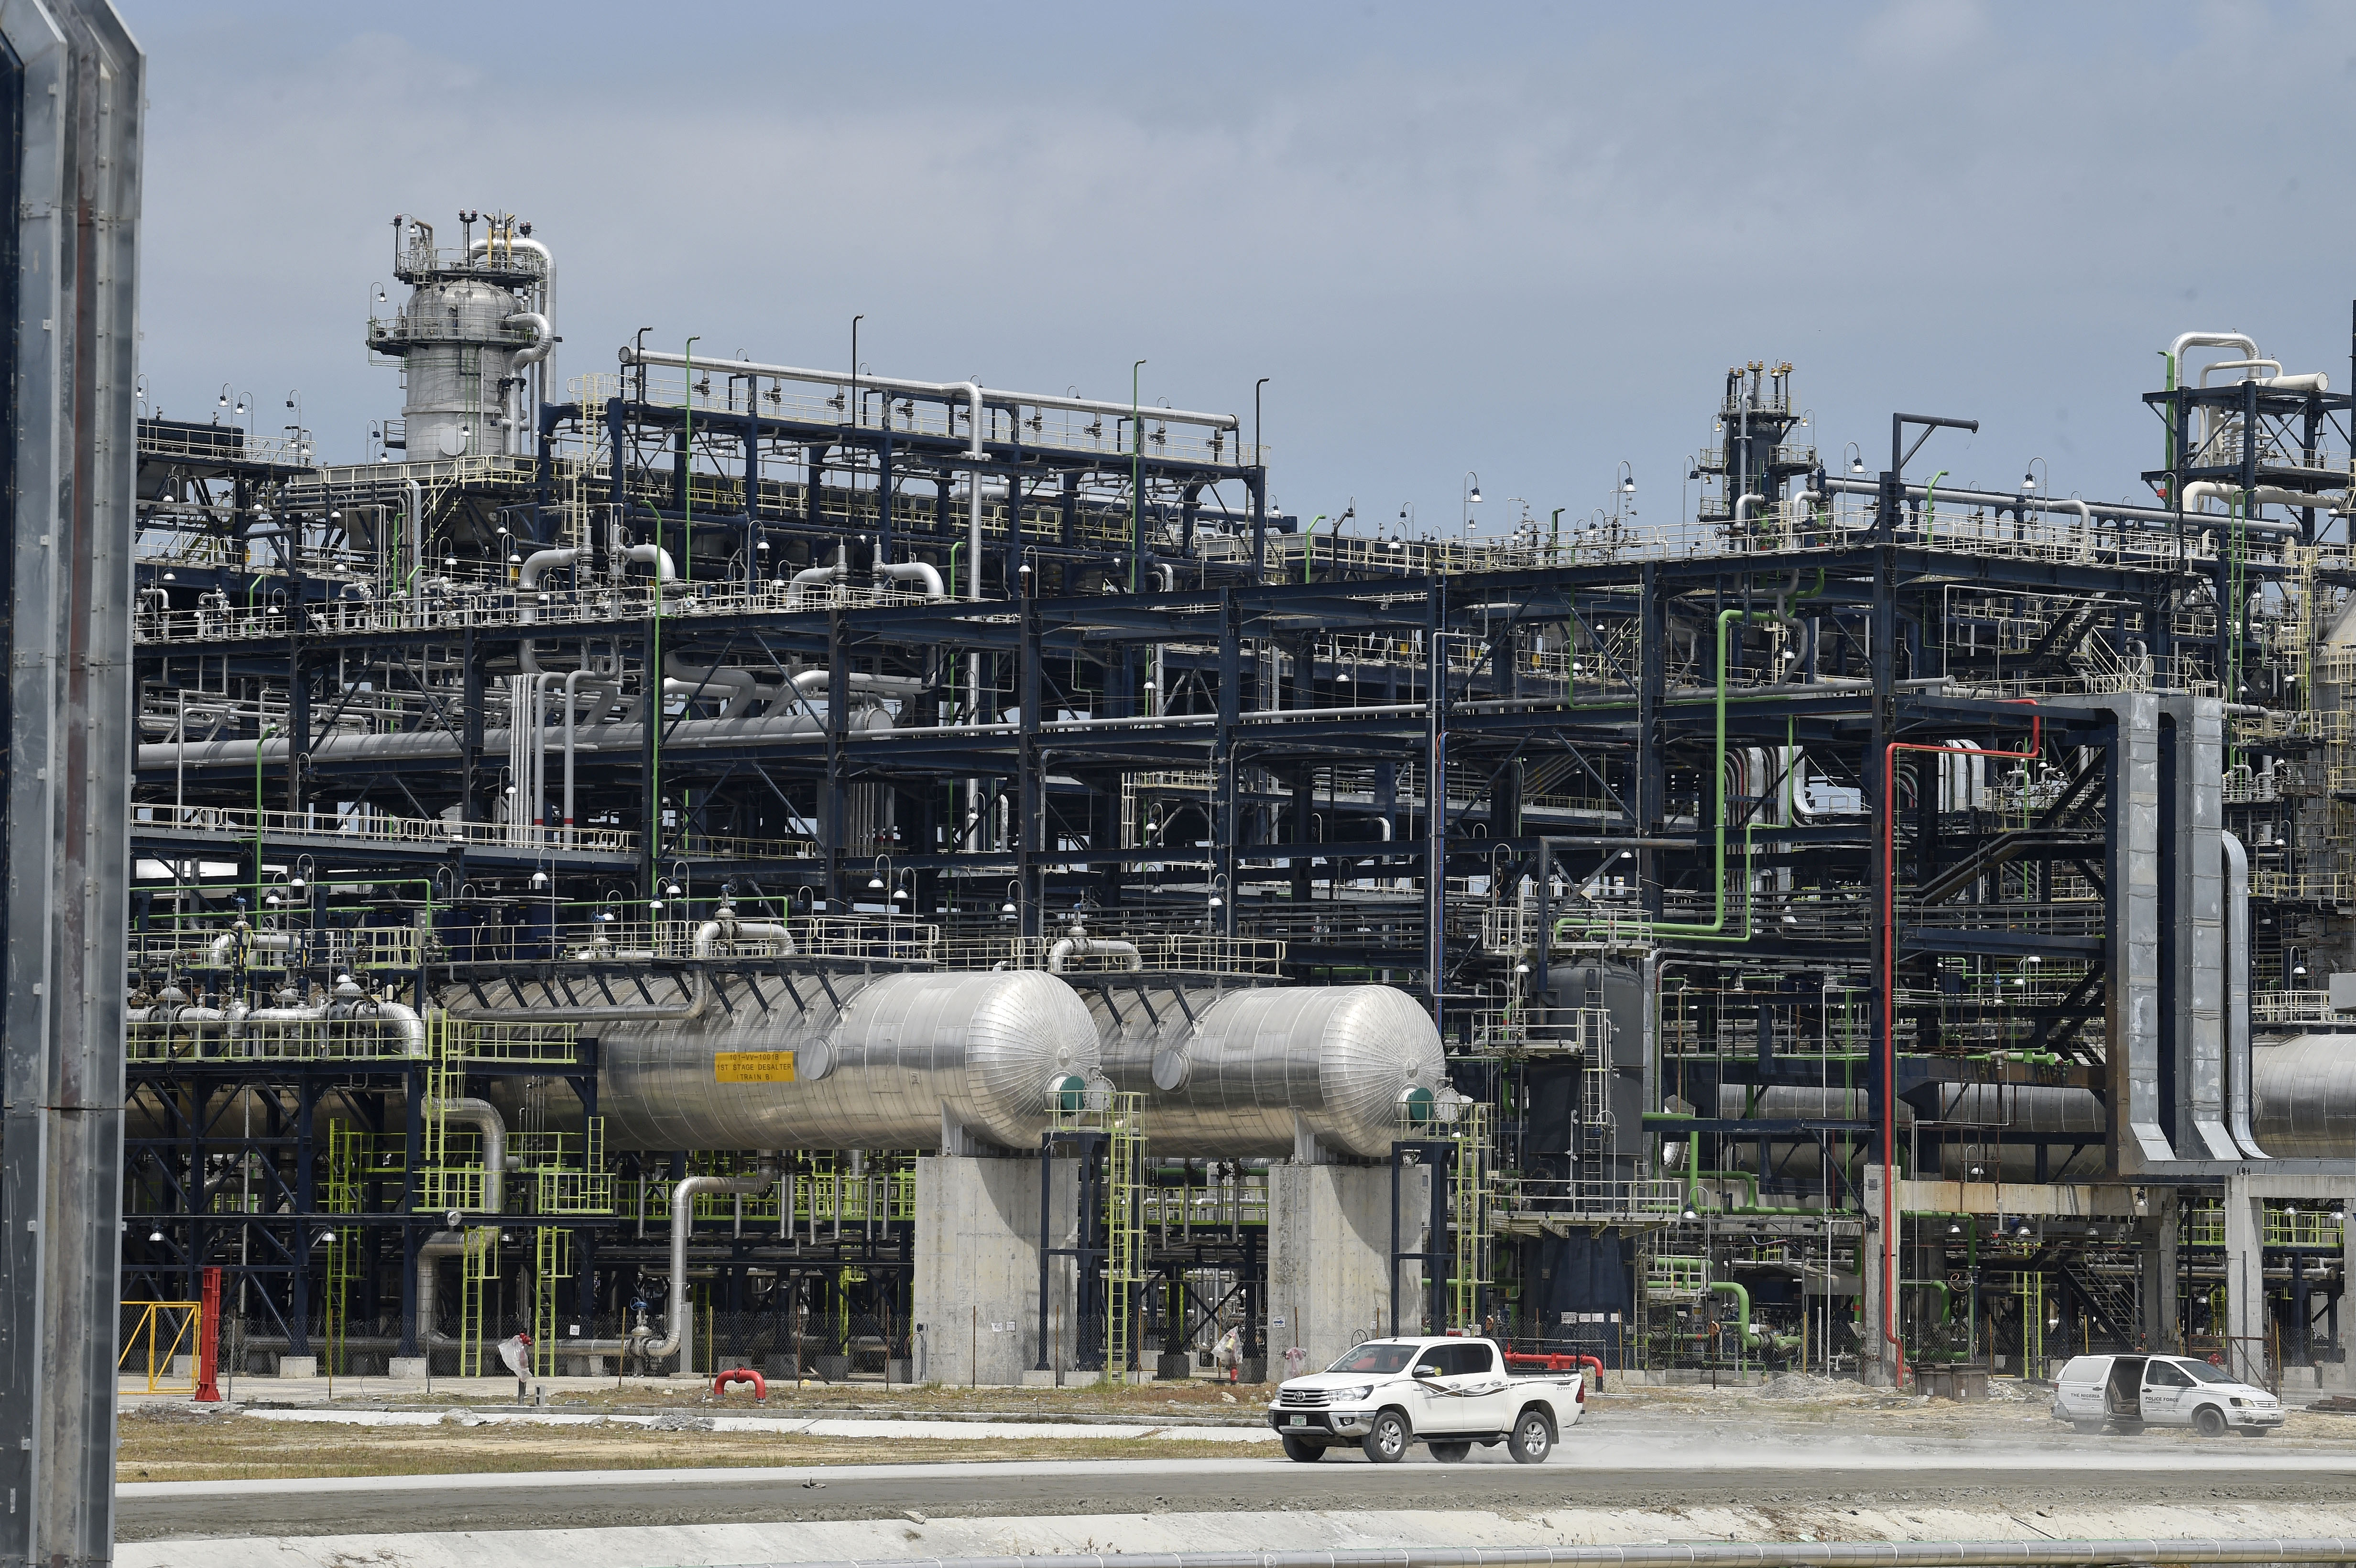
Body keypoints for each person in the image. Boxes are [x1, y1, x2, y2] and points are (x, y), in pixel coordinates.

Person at [498, 1330, 533, 1399]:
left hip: (522, 1361)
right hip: (520, 1360)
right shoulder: (517, 1342)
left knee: (523, 1373)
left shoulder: (520, 1347)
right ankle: (521, 1398)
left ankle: (522, 1396)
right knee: (522, 1374)